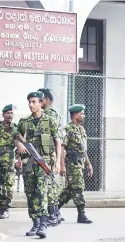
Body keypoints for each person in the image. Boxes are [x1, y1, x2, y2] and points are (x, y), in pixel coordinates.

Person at [15, 91, 61, 239]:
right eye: (29, 102)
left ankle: (43, 225)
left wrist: (58, 162)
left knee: (42, 192)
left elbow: (57, 142)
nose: (31, 105)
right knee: (30, 193)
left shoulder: (50, 120)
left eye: (34, 102)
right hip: (28, 163)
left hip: (44, 162)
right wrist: (19, 145)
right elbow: (16, 137)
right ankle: (35, 223)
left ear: (41, 103)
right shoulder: (24, 122)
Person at [57, 104, 93, 224]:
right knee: (78, 187)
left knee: (69, 191)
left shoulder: (81, 129)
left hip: (80, 163)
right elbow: (62, 147)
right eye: (82, 113)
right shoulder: (68, 129)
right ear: (75, 115)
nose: (84, 115)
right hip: (71, 164)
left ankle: (53, 209)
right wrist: (62, 165)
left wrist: (88, 164)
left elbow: (83, 150)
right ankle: (81, 215)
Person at [37, 88, 66, 226]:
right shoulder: (55, 113)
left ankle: (53, 215)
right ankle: (56, 215)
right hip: (52, 153)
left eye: (40, 99)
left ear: (47, 101)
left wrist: (58, 161)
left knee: (48, 186)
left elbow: (54, 137)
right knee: (51, 184)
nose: (37, 102)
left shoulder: (47, 114)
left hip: (49, 153)